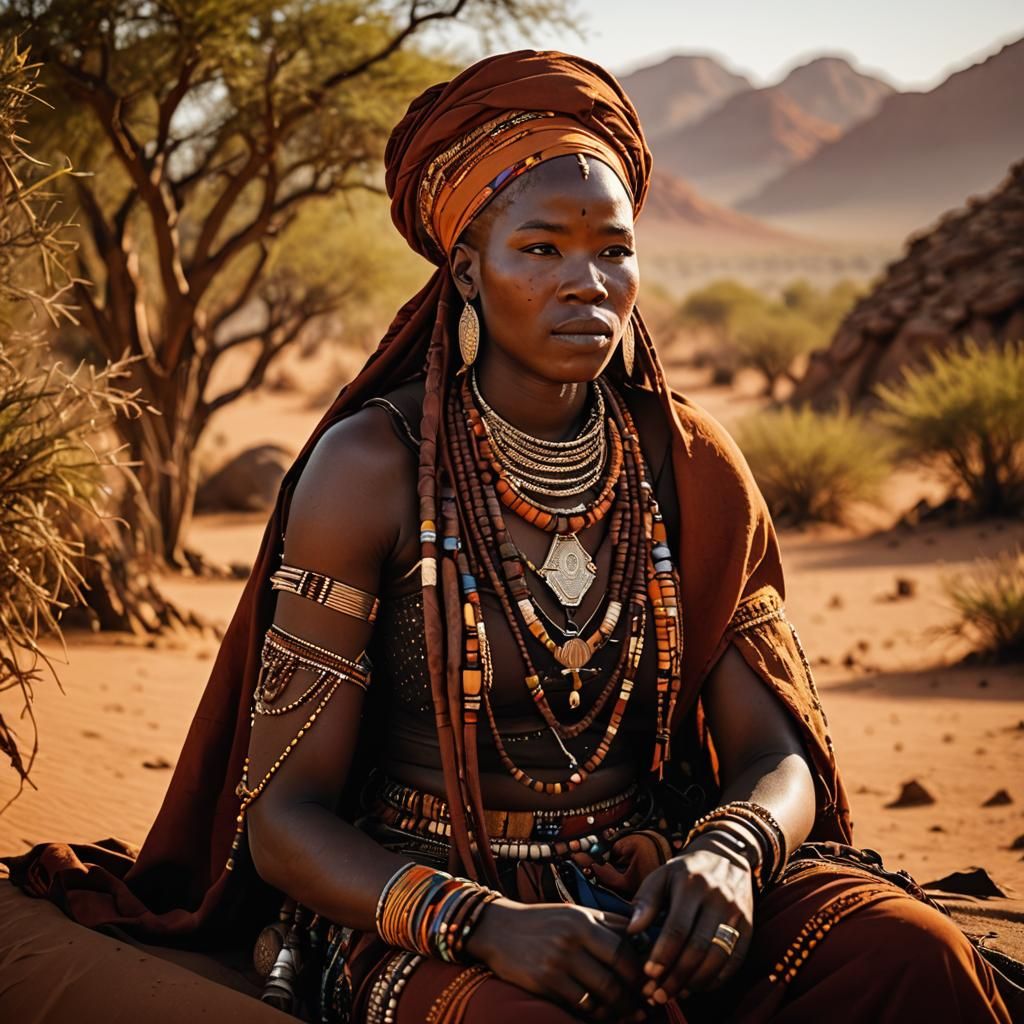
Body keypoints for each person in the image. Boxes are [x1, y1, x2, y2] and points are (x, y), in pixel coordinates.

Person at [3, 50, 1014, 1024]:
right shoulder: (372, 468)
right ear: (468, 267)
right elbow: (282, 822)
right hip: (423, 908)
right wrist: (483, 922)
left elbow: (772, 748)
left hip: (653, 883)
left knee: (910, 958)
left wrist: (730, 854)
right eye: (542, 248)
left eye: (613, 249)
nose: (588, 281)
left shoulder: (688, 461)